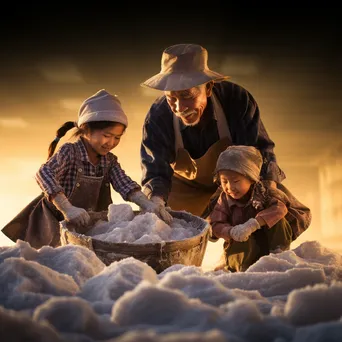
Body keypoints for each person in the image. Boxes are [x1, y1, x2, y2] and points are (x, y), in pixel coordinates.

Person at [139, 43, 311, 240]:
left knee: (264, 197)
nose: (179, 107)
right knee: (164, 224)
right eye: (172, 98)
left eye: (187, 95)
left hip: (235, 182)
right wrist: (156, 201)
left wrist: (269, 190)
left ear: (209, 87)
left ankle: (241, 256)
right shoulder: (157, 116)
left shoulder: (236, 100)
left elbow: (258, 153)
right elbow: (155, 173)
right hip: (184, 191)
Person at [2, 89, 172, 249]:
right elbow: (43, 173)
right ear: (85, 130)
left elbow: (125, 184)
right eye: (107, 135)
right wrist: (66, 207)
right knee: (50, 261)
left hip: (85, 223)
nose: (111, 143)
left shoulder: (109, 161)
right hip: (53, 221)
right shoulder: (70, 152)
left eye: (117, 138)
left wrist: (147, 204)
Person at [209, 145, 293, 272]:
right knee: (241, 257)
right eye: (224, 181)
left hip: (266, 242)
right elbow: (216, 224)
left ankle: (278, 255)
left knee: (278, 220)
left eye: (236, 181)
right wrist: (231, 232)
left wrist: (254, 223)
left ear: (251, 178)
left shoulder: (264, 192)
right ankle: (241, 267)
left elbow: (280, 208)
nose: (230, 187)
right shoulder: (224, 200)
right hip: (241, 248)